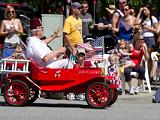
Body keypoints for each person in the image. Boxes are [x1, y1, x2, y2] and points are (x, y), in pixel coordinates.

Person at [136, 5, 158, 80]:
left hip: (150, 38)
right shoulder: (142, 19)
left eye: (145, 10)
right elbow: (136, 23)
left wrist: (147, 27)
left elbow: (156, 30)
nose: (144, 12)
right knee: (142, 57)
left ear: (149, 10)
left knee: (147, 58)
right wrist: (139, 12)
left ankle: (149, 76)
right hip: (142, 39)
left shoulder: (153, 18)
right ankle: (144, 74)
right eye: (143, 11)